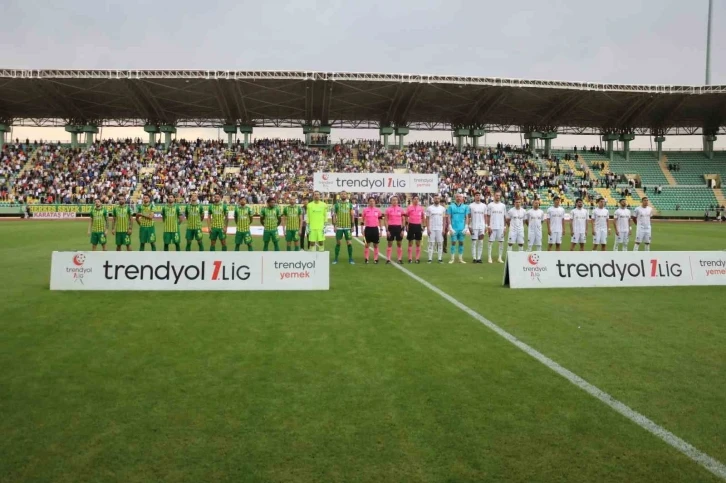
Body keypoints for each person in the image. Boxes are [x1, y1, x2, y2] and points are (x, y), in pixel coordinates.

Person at [446, 193, 470, 264]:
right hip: (454, 228)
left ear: (462, 198)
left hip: (462, 228)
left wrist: (466, 226)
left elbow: (467, 217)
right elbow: (449, 217)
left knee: (461, 242)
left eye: (460, 197)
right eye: (457, 197)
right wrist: (450, 226)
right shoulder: (451, 206)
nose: (458, 198)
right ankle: (452, 258)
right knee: (453, 242)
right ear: (455, 198)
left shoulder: (465, 207)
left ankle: (460, 258)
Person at [332, 191, 354, 264]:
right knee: (338, 243)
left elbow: (352, 216)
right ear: (340, 196)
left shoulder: (350, 205)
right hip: (339, 227)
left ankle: (350, 259)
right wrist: (334, 225)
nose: (343, 195)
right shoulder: (336, 205)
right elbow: (334, 216)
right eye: (342, 194)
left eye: (344, 194)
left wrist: (352, 226)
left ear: (347, 196)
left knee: (349, 243)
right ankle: (335, 259)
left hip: (348, 226)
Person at [486, 191, 507, 263]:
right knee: (490, 242)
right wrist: (488, 226)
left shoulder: (503, 206)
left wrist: (504, 227)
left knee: (501, 242)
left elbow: (504, 217)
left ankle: (500, 257)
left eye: (499, 195)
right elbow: (488, 216)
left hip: (501, 227)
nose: (498, 197)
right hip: (492, 226)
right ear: (494, 196)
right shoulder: (490, 205)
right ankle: (489, 257)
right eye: (496, 195)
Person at [361, 197, 383, 264]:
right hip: (367, 229)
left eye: (373, 201)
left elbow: (380, 220)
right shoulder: (365, 210)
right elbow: (362, 220)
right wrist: (362, 229)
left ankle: (375, 259)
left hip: (375, 229)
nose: (372, 202)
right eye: (370, 201)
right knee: (366, 244)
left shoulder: (378, 210)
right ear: (368, 202)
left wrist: (381, 230)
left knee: (376, 245)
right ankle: (366, 258)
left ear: (375, 202)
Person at [425, 195, 446, 263]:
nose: (437, 199)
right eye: (435, 198)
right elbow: (427, 219)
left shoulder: (442, 208)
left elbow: (444, 219)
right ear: (433, 199)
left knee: (440, 243)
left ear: (439, 200)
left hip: (440, 228)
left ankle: (440, 259)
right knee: (431, 243)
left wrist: (443, 229)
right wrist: (428, 228)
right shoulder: (429, 208)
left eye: (438, 198)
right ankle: (430, 259)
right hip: (432, 228)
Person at [384, 196, 405, 264]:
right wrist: (387, 230)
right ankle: (388, 259)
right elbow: (386, 220)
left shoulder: (401, 210)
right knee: (390, 243)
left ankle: (399, 259)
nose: (395, 201)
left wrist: (402, 230)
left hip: (399, 228)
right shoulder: (388, 210)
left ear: (398, 201)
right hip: (391, 227)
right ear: (391, 201)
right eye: (393, 200)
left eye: (396, 200)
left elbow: (403, 220)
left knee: (399, 243)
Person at [404, 195, 425, 264]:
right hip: (411, 225)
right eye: (415, 199)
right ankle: (410, 258)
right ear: (412, 200)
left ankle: (417, 258)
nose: (416, 200)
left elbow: (423, 217)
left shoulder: (421, 208)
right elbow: (406, 216)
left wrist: (423, 226)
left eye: (417, 199)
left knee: (418, 242)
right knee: (410, 242)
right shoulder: (409, 208)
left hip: (418, 226)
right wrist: (407, 225)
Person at [468, 192, 488, 263]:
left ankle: (479, 258)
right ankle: (474, 258)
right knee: (474, 242)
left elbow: (485, 216)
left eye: (479, 195)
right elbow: (469, 216)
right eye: (476, 195)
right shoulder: (471, 206)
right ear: (474, 197)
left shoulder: (484, 206)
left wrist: (486, 225)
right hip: (474, 226)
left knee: (481, 242)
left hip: (481, 226)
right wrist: (469, 226)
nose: (478, 197)